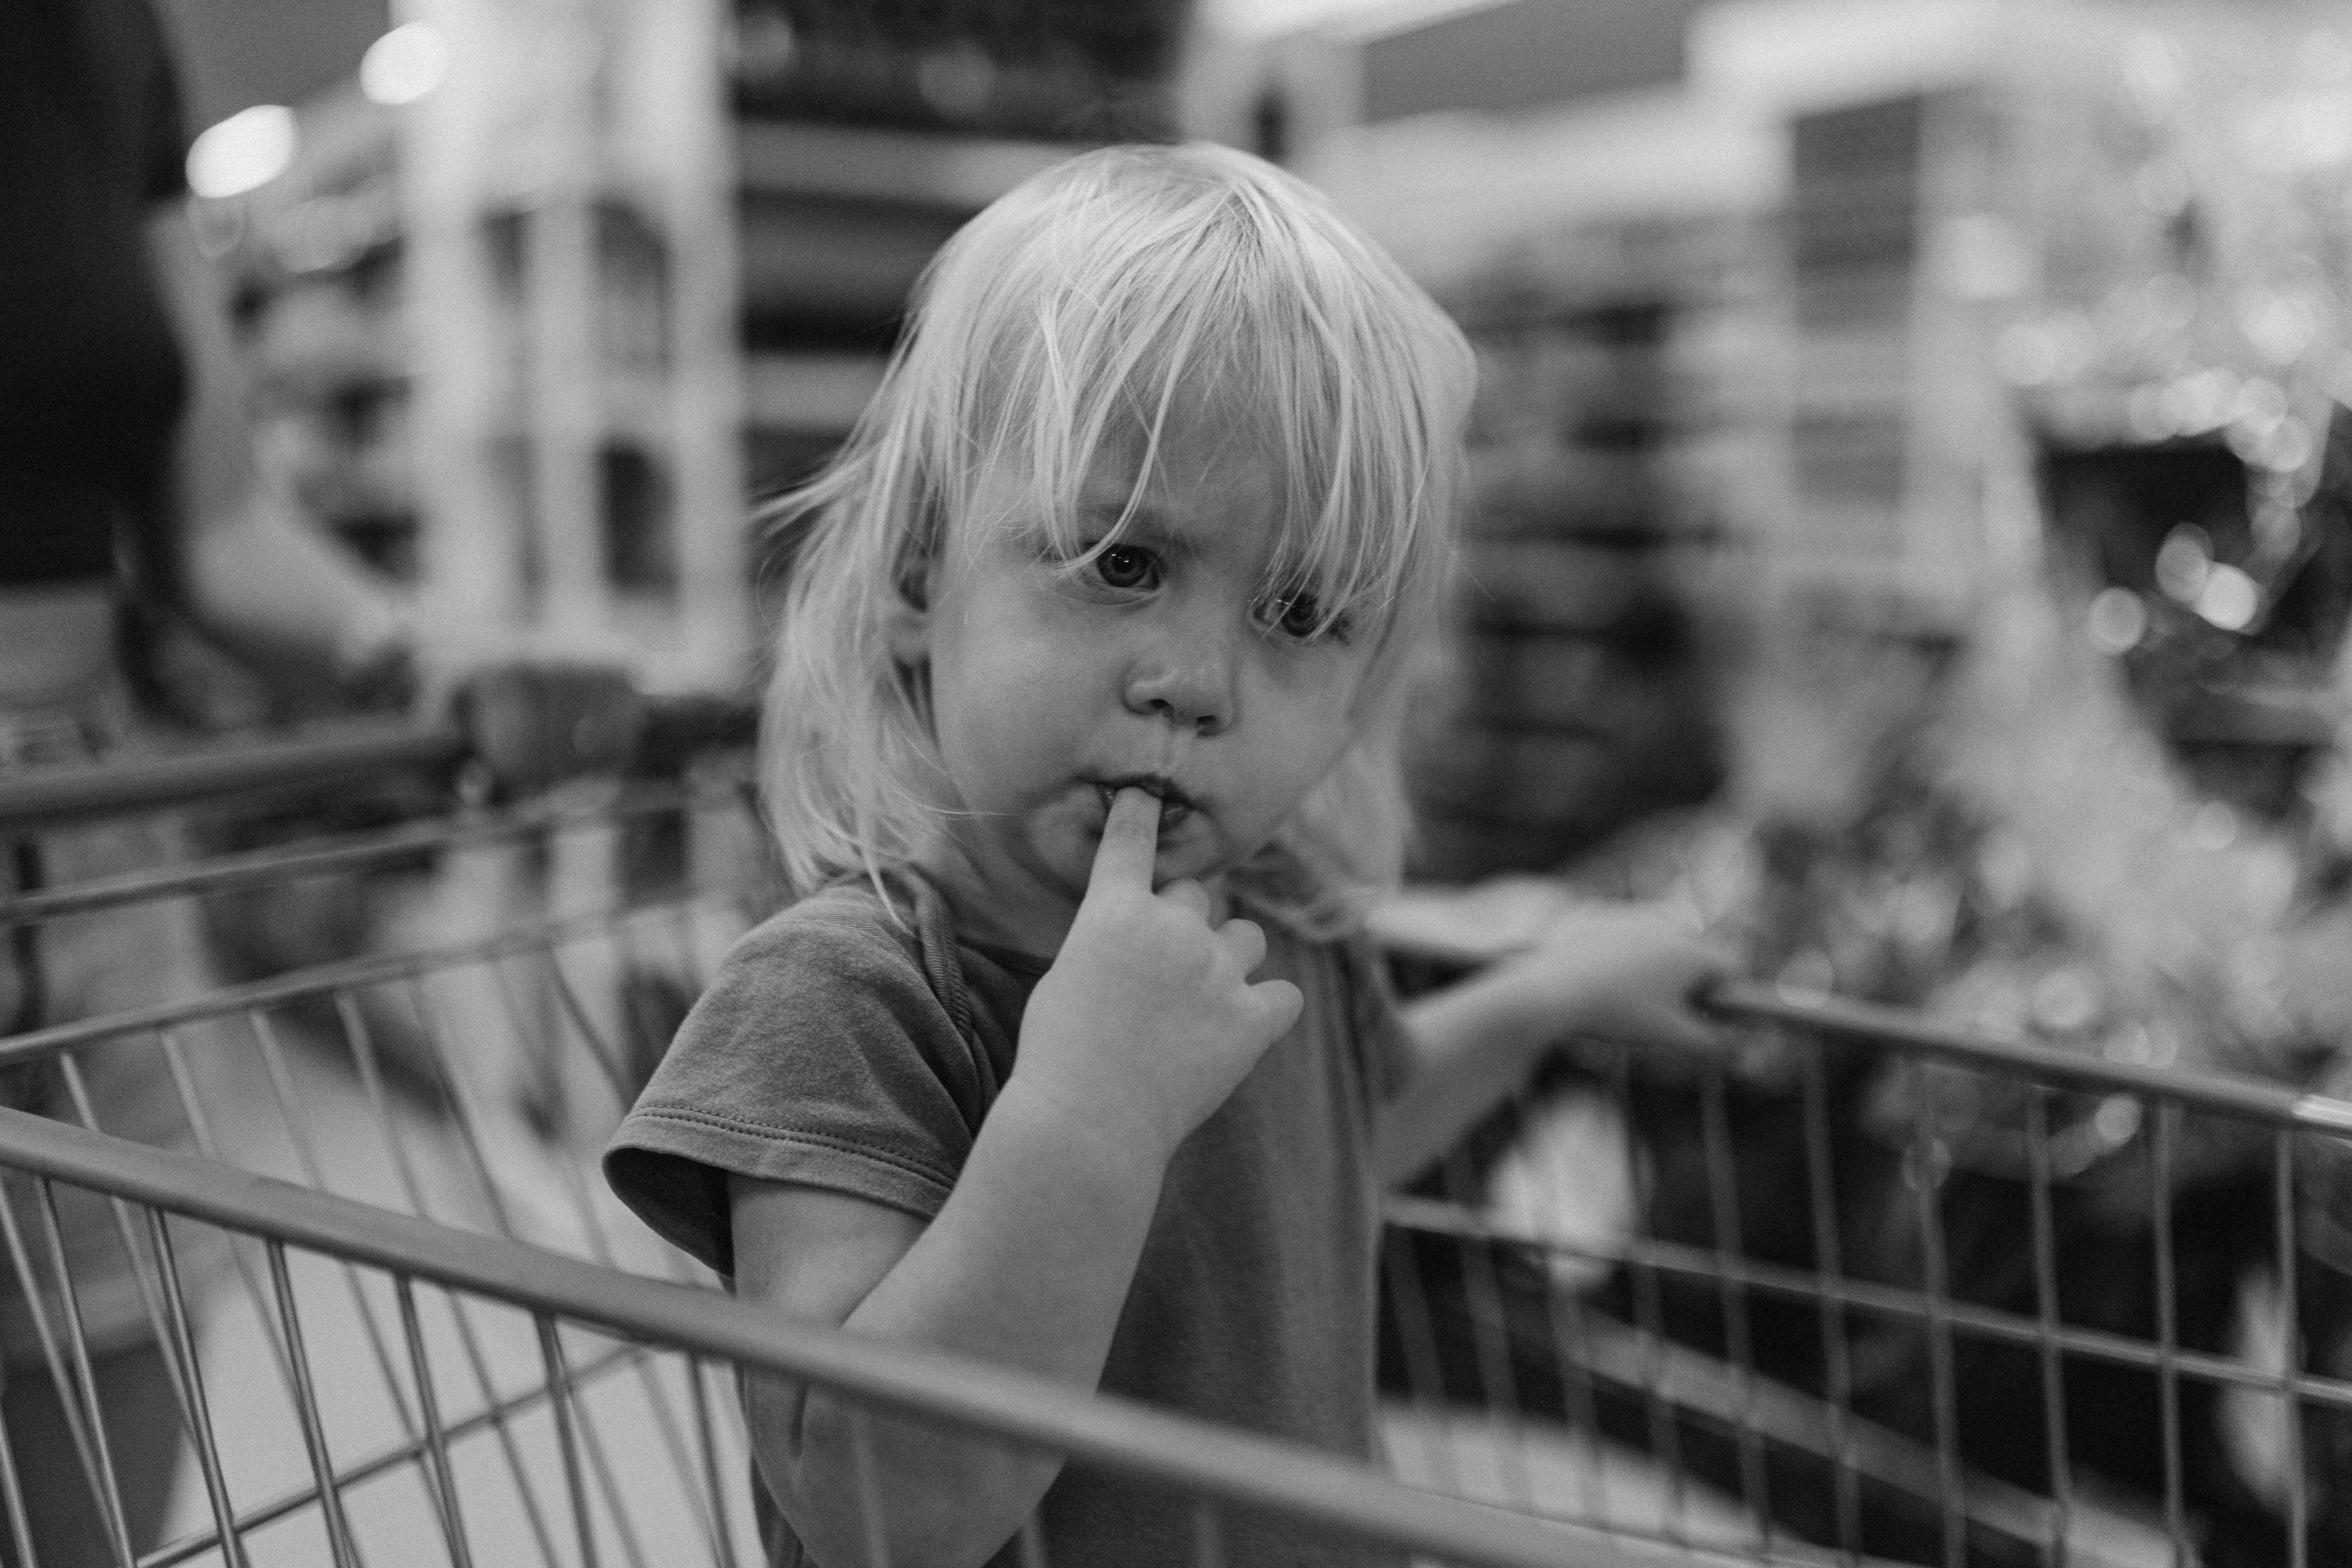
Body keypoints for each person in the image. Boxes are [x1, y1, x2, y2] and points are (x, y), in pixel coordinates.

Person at [604, 142, 1725, 1567]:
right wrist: (1091, 1110)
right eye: (1124, 560)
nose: (1197, 680)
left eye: (1304, 611)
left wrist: (1543, 996)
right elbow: (877, 1510)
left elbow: (1336, 1147)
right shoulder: (843, 1004)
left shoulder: (1262, 926)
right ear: (916, 584)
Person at [2, 4, 632, 1561]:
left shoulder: (100, 35)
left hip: (88, 850)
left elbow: (212, 522)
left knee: (104, 1461)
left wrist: (422, 651)